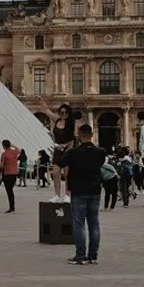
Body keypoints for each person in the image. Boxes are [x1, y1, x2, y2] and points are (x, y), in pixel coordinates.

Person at [59, 124, 105, 265]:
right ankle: (92, 256)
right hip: (95, 190)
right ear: (92, 135)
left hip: (78, 190)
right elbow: (100, 164)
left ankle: (80, 256)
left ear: (79, 135)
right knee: (94, 223)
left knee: (79, 223)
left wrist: (64, 150)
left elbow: (61, 162)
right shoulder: (100, 152)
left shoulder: (74, 152)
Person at [39, 98, 76, 203]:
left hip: (67, 151)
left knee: (67, 174)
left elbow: (72, 141)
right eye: (61, 112)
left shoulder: (71, 124)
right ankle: (57, 195)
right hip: (57, 150)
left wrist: (63, 146)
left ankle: (67, 195)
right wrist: (40, 100)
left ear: (68, 113)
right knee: (55, 173)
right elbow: (47, 111)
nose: (63, 114)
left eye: (65, 112)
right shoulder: (57, 120)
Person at [0, 140, 20, 213]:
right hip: (14, 173)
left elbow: (2, 165)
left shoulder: (4, 154)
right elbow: (19, 150)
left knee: (9, 191)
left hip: (7, 173)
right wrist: (13, 146)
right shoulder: (14, 152)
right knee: (11, 190)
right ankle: (12, 206)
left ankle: (12, 207)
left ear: (4, 146)